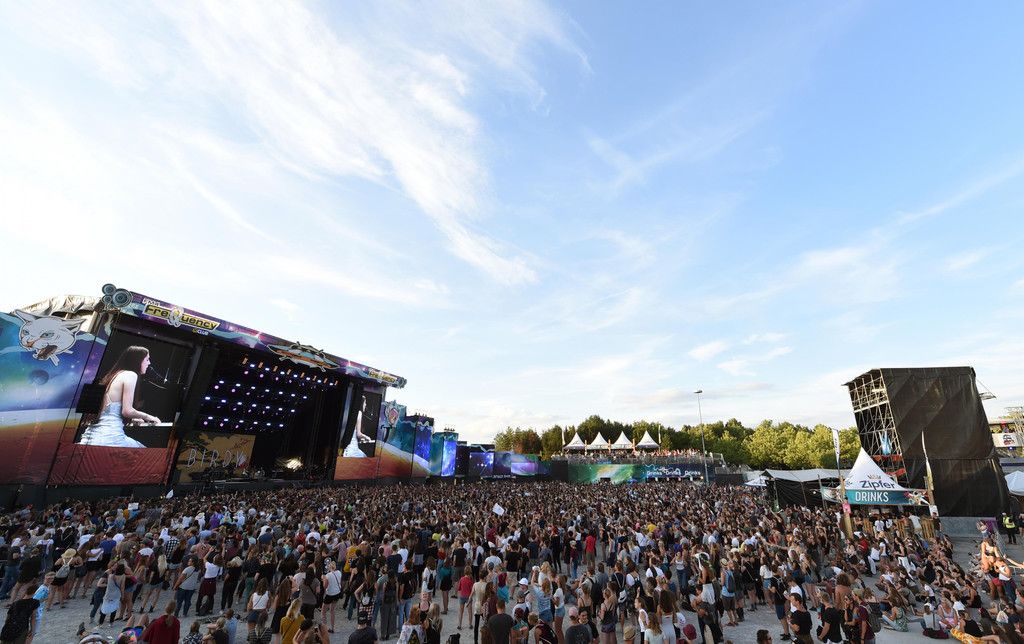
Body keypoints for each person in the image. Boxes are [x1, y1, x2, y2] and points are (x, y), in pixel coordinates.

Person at [78, 346, 161, 447]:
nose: (149, 363)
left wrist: (134, 418)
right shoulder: (131, 375)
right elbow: (127, 411)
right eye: (147, 359)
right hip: (110, 439)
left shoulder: (113, 375)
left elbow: (108, 412)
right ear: (137, 360)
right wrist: (149, 417)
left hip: (90, 438)